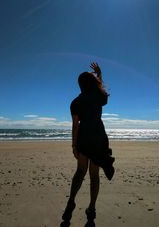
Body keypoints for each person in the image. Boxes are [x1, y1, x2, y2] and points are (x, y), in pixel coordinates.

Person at [60, 62, 115, 226]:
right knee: (94, 175)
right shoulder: (99, 97)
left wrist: (74, 146)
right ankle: (91, 209)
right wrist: (100, 75)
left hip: (84, 137)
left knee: (80, 172)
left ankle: (71, 202)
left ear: (80, 84)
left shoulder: (75, 102)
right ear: (92, 83)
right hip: (98, 136)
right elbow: (103, 93)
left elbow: (75, 125)